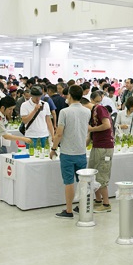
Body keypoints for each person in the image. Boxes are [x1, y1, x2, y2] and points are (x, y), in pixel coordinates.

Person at [0, 96, 32, 201]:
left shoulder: (0, 113)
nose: (11, 111)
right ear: (3, 108)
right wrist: (23, 139)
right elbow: (6, 136)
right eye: (10, 109)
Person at [51, 85, 91, 218]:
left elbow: (59, 133)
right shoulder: (87, 111)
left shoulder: (64, 112)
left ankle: (69, 210)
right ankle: (82, 206)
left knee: (69, 182)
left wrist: (53, 148)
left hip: (67, 152)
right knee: (82, 181)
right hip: (81, 151)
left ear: (70, 95)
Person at [86, 90, 114, 213]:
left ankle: (106, 204)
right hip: (97, 146)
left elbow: (107, 125)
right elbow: (90, 134)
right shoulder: (92, 113)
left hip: (104, 147)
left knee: (101, 175)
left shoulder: (100, 109)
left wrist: (92, 129)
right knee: (92, 173)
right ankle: (98, 200)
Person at [20, 86, 54, 150]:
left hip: (44, 135)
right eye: (35, 97)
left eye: (39, 96)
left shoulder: (45, 104)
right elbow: (24, 121)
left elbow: (48, 121)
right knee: (31, 155)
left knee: (45, 154)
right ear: (31, 95)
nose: (38, 98)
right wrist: (34, 110)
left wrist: (52, 135)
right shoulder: (24, 105)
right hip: (31, 135)